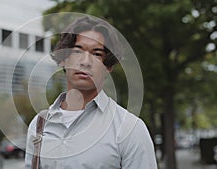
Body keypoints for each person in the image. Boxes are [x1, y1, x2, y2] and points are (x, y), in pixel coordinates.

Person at [25, 16, 157, 169]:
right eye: (77, 51)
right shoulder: (39, 125)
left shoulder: (130, 129)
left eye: (96, 54)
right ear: (63, 60)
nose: (85, 61)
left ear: (107, 66)